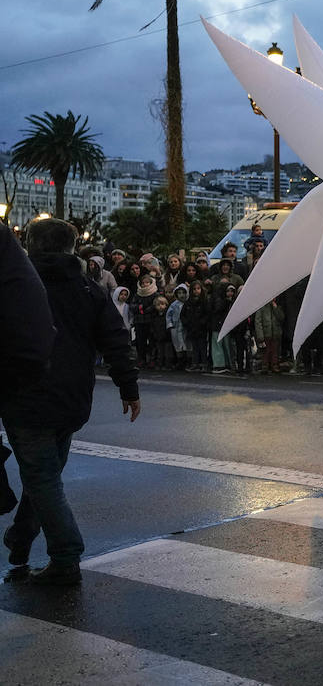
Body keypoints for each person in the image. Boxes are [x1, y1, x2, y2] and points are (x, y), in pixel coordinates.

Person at [2, 218, 139, 586]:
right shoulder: (89, 289)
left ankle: (65, 556)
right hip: (74, 399)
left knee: (42, 477)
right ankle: (21, 537)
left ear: (30, 244)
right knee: (44, 475)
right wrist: (129, 387)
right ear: (72, 246)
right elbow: (115, 338)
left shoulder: (17, 285)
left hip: (25, 396)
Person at [0, 226, 56, 521]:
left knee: (42, 477)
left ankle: (59, 552)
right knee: (44, 477)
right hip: (45, 386)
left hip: (27, 386)